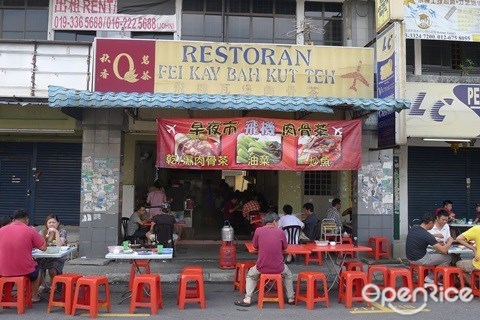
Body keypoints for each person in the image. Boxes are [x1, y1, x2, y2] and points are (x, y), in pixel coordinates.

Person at [234, 212, 295, 307]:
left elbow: (255, 246)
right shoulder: (280, 232)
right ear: (274, 222)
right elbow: (285, 247)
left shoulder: (258, 230)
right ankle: (291, 298)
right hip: (279, 267)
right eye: (278, 222)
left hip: (261, 267)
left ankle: (247, 298)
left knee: (251, 275)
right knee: (288, 274)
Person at [0, 210, 47, 302]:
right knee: (38, 269)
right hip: (24, 269)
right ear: (27, 220)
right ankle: (34, 297)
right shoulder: (30, 230)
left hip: (2, 269)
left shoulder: (1, 230)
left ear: (13, 220)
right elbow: (43, 247)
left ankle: (5, 296)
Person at [406, 212, 454, 283]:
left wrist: (434, 236)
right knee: (448, 257)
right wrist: (450, 241)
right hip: (420, 259)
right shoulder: (427, 235)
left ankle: (435, 276)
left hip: (409, 258)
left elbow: (422, 237)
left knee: (436, 253)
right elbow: (443, 250)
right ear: (431, 223)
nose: (434, 225)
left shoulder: (414, 228)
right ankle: (431, 278)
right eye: (434, 223)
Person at [37, 214, 68, 290]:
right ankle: (42, 284)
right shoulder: (42, 232)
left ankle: (53, 285)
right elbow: (40, 245)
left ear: (58, 223)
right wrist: (47, 237)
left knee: (52, 268)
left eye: (54, 222)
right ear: (46, 224)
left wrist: (56, 232)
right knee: (38, 266)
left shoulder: (62, 231)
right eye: (49, 222)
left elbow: (59, 245)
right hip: (45, 255)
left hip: (58, 256)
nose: (51, 224)